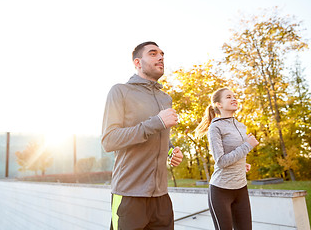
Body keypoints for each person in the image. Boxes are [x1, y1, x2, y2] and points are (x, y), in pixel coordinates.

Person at [101, 41, 184, 230]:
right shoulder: (120, 91)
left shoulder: (165, 98)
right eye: (153, 54)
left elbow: (158, 136)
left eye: (162, 54)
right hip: (129, 196)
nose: (161, 57)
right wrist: (157, 122)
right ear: (137, 63)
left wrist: (171, 151)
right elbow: (109, 140)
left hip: (161, 198)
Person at [194, 87, 259, 230]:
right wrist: (248, 146)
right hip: (221, 191)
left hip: (241, 189)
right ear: (219, 104)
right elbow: (221, 161)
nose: (234, 99)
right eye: (229, 97)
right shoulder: (215, 127)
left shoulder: (242, 127)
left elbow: (236, 153)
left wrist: (242, 163)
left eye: (234, 96)